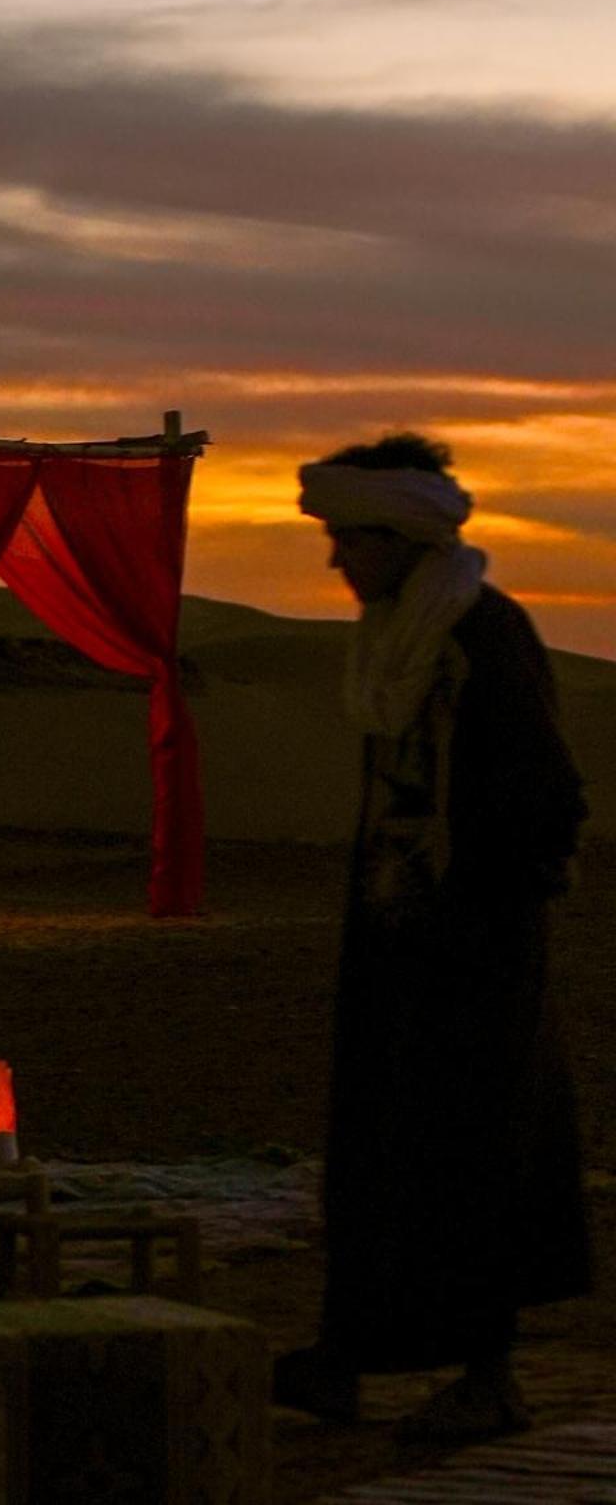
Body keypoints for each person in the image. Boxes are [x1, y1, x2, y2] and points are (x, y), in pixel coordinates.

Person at [277, 434, 590, 1441]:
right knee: (376, 1145)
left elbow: (543, 796)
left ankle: (489, 1373)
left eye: (346, 541)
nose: (335, 562)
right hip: (393, 939)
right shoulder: (395, 641)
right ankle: (346, 1356)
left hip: (472, 950)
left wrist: (480, 913)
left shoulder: (481, 638)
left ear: (397, 536)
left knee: (473, 1150)